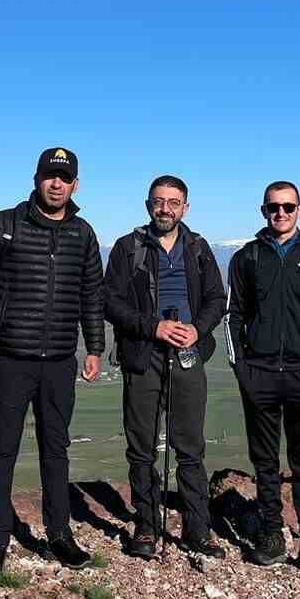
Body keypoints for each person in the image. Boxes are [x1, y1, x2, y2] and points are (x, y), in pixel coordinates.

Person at [0, 147, 106, 573]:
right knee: (2, 450)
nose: (56, 184)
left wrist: (95, 348)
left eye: (64, 178)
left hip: (60, 360)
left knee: (55, 450)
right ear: (36, 179)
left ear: (75, 184)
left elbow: (91, 294)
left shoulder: (82, 234)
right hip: (10, 357)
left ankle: (60, 535)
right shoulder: (4, 225)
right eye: (50, 176)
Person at [104, 175, 228, 559]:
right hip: (143, 353)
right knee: (141, 445)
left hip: (188, 355)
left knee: (189, 446)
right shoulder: (128, 248)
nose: (166, 209)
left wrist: (197, 329)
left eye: (174, 202)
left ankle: (197, 528)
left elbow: (216, 298)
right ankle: (146, 524)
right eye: (159, 201)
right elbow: (110, 302)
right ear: (148, 205)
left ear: (185, 208)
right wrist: (153, 326)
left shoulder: (199, 249)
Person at [225, 180, 300, 576]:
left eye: (288, 207)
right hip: (258, 374)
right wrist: (241, 367)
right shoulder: (247, 258)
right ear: (263, 211)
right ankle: (272, 533)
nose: (280, 214)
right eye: (273, 208)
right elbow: (233, 316)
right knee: (264, 461)